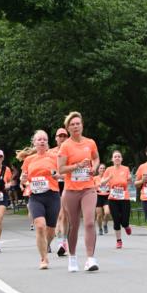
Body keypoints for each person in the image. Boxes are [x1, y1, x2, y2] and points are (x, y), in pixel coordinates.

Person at [57, 111, 100, 272]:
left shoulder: (90, 143)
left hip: (88, 188)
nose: (75, 126)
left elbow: (96, 158)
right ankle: (73, 257)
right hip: (71, 190)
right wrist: (77, 166)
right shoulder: (65, 146)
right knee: (74, 225)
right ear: (68, 128)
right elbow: (60, 169)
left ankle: (90, 259)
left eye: (78, 123)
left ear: (82, 125)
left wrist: (94, 168)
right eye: (72, 124)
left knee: (89, 222)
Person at [21, 130, 62, 269]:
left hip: (52, 195)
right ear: (34, 142)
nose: (42, 141)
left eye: (44, 139)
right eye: (39, 139)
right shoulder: (28, 160)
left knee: (51, 231)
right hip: (36, 197)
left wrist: (59, 176)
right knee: (39, 226)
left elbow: (63, 174)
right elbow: (23, 177)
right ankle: (44, 259)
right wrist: (23, 179)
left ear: (47, 142)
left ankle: (47, 244)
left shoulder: (54, 156)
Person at [100, 151, 132, 249]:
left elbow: (129, 181)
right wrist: (108, 178)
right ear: (112, 159)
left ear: (121, 159)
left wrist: (130, 179)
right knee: (116, 220)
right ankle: (119, 241)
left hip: (124, 197)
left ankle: (126, 226)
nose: (117, 158)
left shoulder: (126, 169)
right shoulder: (109, 169)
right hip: (113, 198)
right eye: (115, 157)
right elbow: (102, 183)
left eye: (119, 156)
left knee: (125, 220)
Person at [50, 127, 70, 255]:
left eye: (64, 136)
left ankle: (63, 243)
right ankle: (49, 241)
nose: (62, 138)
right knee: (54, 217)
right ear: (56, 138)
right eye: (60, 136)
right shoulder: (50, 152)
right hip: (52, 186)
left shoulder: (71, 151)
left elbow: (73, 170)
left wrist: (61, 176)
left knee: (63, 215)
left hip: (67, 185)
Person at [94, 163, 111, 236]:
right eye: (101, 168)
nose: (102, 169)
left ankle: (105, 224)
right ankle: (100, 228)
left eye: (104, 168)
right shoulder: (95, 178)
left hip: (106, 197)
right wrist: (97, 185)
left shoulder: (108, 178)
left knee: (107, 212)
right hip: (98, 197)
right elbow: (91, 187)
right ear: (98, 170)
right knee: (99, 215)